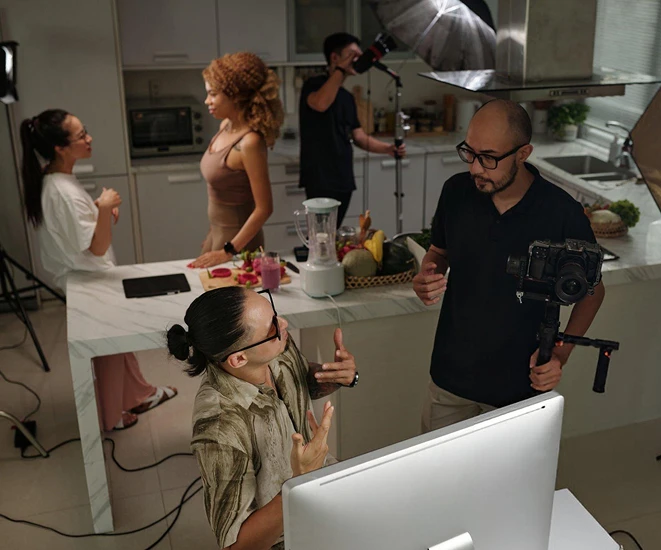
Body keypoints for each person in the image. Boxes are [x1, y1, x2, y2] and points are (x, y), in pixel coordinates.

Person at [413, 99, 606, 433]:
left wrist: (561, 354)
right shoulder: (456, 192)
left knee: (510, 469)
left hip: (520, 387)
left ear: (523, 153)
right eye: (469, 153)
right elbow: (438, 252)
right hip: (450, 377)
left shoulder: (561, 212)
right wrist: (428, 273)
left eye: (489, 157)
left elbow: (594, 291)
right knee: (436, 468)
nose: (475, 168)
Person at [166, 286, 359, 550]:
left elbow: (300, 380)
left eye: (275, 314)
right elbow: (236, 547)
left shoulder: (276, 346)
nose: (284, 324)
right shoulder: (220, 427)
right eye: (272, 327)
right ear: (238, 359)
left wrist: (338, 376)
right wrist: (298, 482)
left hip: (321, 490)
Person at [20, 109, 177, 431]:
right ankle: (112, 417)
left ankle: (138, 394)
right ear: (60, 147)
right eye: (81, 136)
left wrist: (98, 213)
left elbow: (71, 230)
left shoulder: (54, 178)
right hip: (87, 280)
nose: (89, 138)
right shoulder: (62, 189)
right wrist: (104, 208)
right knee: (110, 349)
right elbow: (96, 247)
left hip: (83, 276)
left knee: (118, 346)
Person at [299, 32, 406, 227]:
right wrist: (341, 69)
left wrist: (388, 149)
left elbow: (359, 136)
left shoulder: (347, 98)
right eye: (352, 55)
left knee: (334, 231)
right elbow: (321, 104)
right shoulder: (313, 85)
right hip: (319, 177)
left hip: (343, 178)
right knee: (319, 232)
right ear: (334, 57)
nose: (357, 59)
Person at [190, 52, 284, 269]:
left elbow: (264, 208)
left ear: (236, 96)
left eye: (213, 94)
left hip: (237, 247)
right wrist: (212, 235)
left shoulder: (250, 143)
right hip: (218, 237)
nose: (207, 101)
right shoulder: (225, 125)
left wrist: (228, 251)